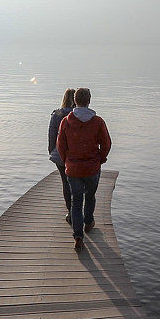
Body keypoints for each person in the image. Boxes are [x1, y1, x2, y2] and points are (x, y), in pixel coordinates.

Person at [57, 87, 112, 248]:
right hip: (92, 167)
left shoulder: (66, 121)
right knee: (90, 196)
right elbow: (106, 143)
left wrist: (67, 160)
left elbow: (60, 145)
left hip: (73, 168)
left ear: (75, 101)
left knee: (76, 201)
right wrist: (100, 159)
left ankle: (78, 237)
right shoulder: (98, 121)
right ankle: (88, 222)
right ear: (89, 100)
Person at [48, 88, 75, 223]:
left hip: (59, 154)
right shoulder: (78, 115)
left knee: (65, 182)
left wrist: (51, 150)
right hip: (75, 154)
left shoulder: (57, 114)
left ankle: (70, 211)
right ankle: (77, 211)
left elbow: (52, 134)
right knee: (76, 183)